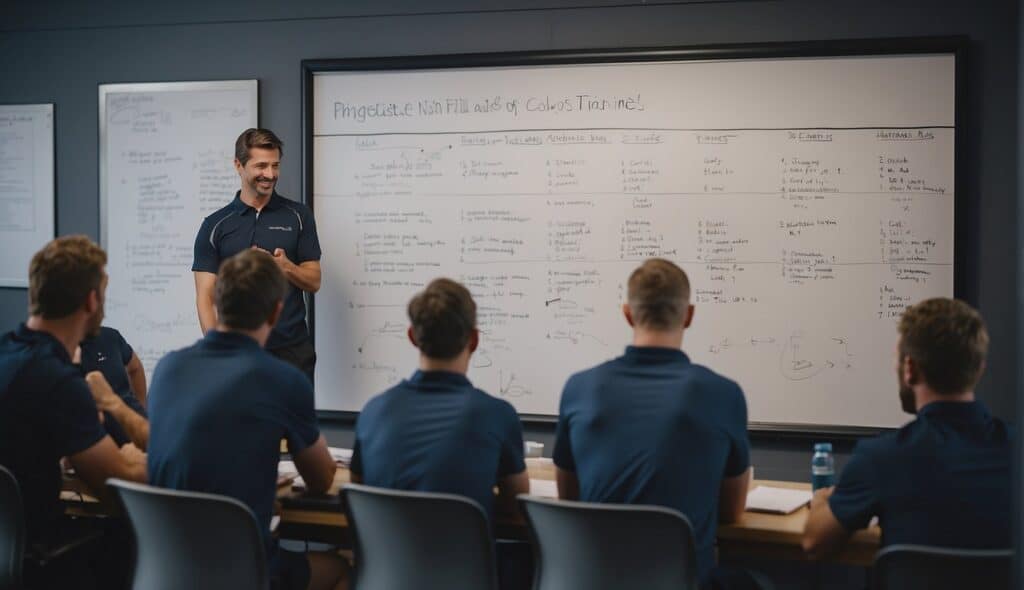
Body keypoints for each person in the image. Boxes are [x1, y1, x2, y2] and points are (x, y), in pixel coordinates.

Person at [148, 249, 347, 590]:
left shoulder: (168, 368)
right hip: (241, 573)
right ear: (275, 312)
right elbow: (320, 478)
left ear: (218, 302)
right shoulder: (282, 380)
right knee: (343, 567)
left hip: (168, 570)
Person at [552, 258, 752, 589]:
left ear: (628, 313)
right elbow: (731, 512)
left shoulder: (578, 388)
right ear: (689, 315)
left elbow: (571, 500)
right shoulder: (723, 395)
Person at [349, 278, 529, 589]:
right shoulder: (497, 415)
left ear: (412, 337)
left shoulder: (373, 412)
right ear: (473, 340)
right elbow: (517, 502)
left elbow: (359, 490)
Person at [802, 297, 1012, 558]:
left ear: (910, 368)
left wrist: (822, 501)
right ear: (979, 368)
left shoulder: (881, 458)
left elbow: (814, 542)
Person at [0, 235, 147, 588]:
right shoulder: (60, 380)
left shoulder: (7, 353)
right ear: (92, 299)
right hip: (40, 561)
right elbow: (118, 491)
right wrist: (133, 455)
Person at [193, 127, 322, 383]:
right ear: (238, 165)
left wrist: (286, 268)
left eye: (275, 166)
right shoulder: (215, 225)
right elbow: (205, 297)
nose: (270, 174)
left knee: (291, 423)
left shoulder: (299, 216)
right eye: (261, 166)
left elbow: (314, 281)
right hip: (237, 352)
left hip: (292, 352)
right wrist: (219, 349)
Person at [76, 326, 149, 447]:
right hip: (104, 451)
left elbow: (135, 368)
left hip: (143, 439)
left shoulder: (110, 336)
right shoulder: (56, 355)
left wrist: (140, 410)